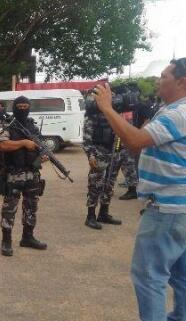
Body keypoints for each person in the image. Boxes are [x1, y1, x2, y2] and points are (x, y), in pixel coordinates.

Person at [93, 57, 186, 321]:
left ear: (182, 82)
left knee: (149, 277)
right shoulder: (169, 111)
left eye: (165, 76)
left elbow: (133, 139)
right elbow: (137, 144)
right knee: (181, 277)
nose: (159, 80)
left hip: (166, 208)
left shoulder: (179, 114)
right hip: (179, 208)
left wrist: (107, 108)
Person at [0, 96, 48, 257]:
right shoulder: (6, 124)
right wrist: (24, 143)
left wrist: (43, 154)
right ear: (15, 107)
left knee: (31, 206)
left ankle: (28, 237)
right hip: (13, 173)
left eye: (26, 106)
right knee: (9, 209)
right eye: (20, 106)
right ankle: (6, 241)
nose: (23, 109)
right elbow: (2, 144)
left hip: (32, 173)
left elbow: (41, 144)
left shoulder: (32, 125)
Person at [82, 90, 123, 230]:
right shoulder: (91, 117)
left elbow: (119, 133)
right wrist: (91, 155)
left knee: (109, 184)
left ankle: (103, 213)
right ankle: (90, 216)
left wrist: (119, 150)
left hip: (114, 153)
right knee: (95, 185)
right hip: (99, 153)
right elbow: (86, 139)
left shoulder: (113, 114)